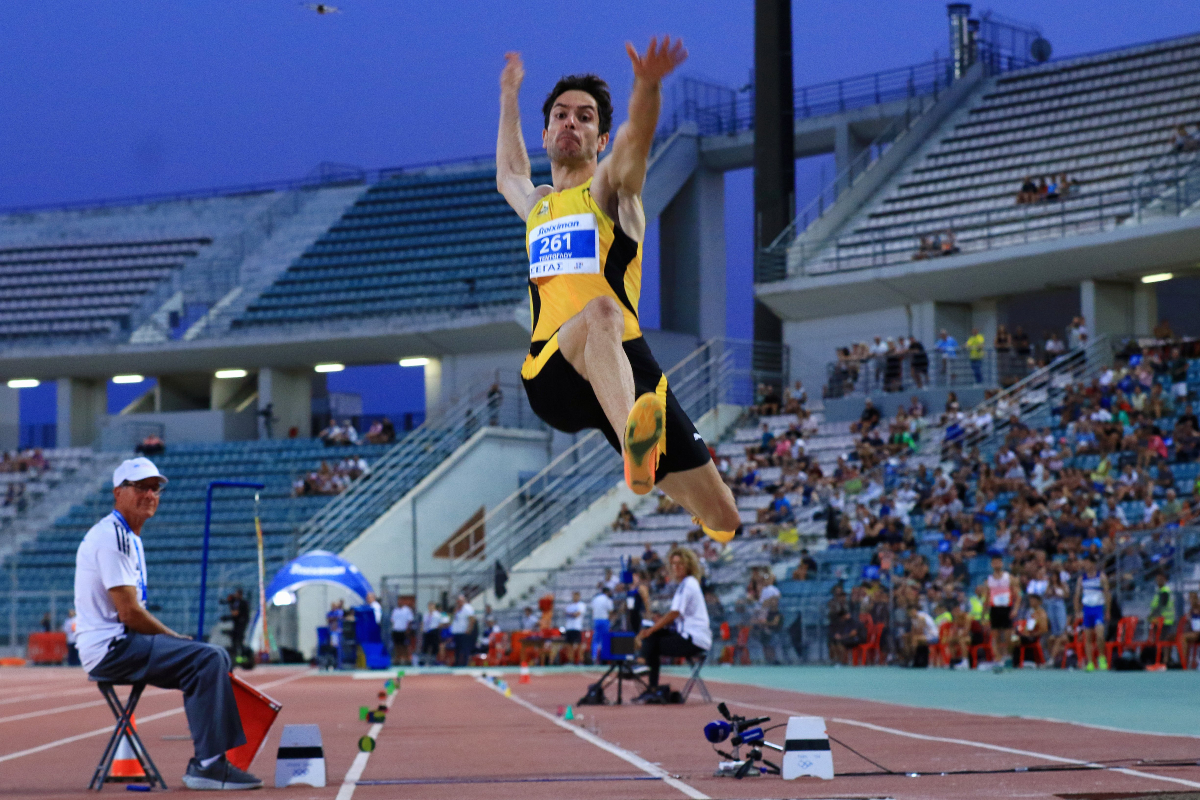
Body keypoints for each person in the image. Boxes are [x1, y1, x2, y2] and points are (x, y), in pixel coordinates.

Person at [495, 42, 740, 545]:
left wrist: (647, 86)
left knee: (724, 517)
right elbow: (510, 176)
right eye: (561, 115)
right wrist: (508, 94)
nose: (570, 123)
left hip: (624, 364)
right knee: (601, 310)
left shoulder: (610, 193)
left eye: (584, 117)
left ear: (600, 138)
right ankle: (636, 438)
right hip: (553, 370)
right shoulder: (540, 207)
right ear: (545, 135)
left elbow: (636, 141)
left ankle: (639, 449)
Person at [74, 457, 261, 790]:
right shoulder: (113, 536)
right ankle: (209, 765)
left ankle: (213, 759)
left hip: (121, 642)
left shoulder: (130, 538)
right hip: (112, 648)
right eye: (141, 487)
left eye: (155, 488)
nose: (150, 494)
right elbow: (129, 614)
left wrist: (179, 643)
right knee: (207, 658)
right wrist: (175, 637)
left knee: (213, 657)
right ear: (118, 492)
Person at [633, 547, 711, 701]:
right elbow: (675, 615)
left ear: (688, 565)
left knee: (652, 639)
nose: (676, 567)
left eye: (680, 564)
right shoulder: (683, 585)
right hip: (686, 634)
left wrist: (651, 630)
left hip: (694, 639)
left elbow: (675, 613)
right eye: (673, 564)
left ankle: (643, 665)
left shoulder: (689, 584)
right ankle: (648, 679)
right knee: (653, 633)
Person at [1075, 557, 1109, 671]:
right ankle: (1090, 662)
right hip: (1087, 610)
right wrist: (1077, 611)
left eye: (1087, 562)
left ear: (1093, 564)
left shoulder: (1101, 576)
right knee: (1087, 638)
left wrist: (1107, 610)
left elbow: (1107, 594)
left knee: (1099, 635)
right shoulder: (1082, 579)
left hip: (1098, 609)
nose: (1085, 565)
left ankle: (1102, 657)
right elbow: (1077, 596)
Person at [985, 556, 1018, 665]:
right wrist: (984, 614)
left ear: (1002, 564)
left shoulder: (1009, 578)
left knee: (1008, 636)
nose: (996, 564)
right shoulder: (989, 580)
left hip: (1006, 608)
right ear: (991, 565)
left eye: (998, 562)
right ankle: (998, 658)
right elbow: (987, 598)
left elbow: (1018, 595)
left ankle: (1008, 656)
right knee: (996, 636)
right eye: (994, 562)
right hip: (995, 609)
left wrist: (1015, 609)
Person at [449, 594, 476, 667]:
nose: (458, 602)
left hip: (464, 632)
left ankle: (465, 663)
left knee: (465, 649)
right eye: (458, 601)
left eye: (460, 601)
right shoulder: (457, 609)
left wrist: (469, 629)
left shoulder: (467, 608)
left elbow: (472, 619)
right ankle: (457, 663)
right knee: (457, 649)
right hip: (457, 632)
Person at [589, 586, 615, 662]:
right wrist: (610, 620)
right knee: (604, 639)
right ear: (607, 592)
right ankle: (603, 657)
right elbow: (610, 611)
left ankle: (594, 656)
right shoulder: (607, 599)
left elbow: (592, 610)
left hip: (596, 620)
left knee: (596, 640)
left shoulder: (595, 599)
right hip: (604, 620)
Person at [562, 591, 586, 664]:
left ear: (579, 597)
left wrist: (570, 614)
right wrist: (572, 614)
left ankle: (580, 660)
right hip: (569, 627)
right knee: (569, 645)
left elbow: (577, 614)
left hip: (577, 627)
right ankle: (570, 660)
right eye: (574, 596)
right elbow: (565, 613)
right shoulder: (569, 606)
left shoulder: (581, 605)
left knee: (578, 645)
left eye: (576, 596)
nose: (575, 597)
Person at [390, 598, 414, 666]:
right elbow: (392, 620)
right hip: (396, 630)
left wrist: (408, 629)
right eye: (398, 602)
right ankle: (398, 659)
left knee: (405, 645)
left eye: (401, 602)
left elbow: (410, 620)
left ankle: (407, 659)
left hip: (403, 630)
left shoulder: (407, 610)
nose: (399, 603)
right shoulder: (395, 610)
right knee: (397, 645)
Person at [420, 601, 442, 666]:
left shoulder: (438, 614)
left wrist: (436, 628)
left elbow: (441, 623)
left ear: (434, 606)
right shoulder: (426, 614)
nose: (430, 607)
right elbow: (423, 622)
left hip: (434, 630)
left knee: (434, 646)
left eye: (432, 605)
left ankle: (432, 661)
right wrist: (422, 629)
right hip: (426, 631)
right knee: (425, 646)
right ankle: (423, 661)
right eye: (429, 606)